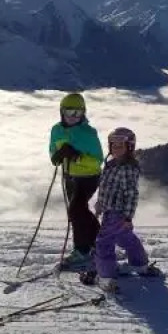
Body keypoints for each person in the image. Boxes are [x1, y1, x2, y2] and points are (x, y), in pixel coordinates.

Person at [88, 127, 158, 292]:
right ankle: (140, 265)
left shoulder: (128, 168)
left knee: (103, 242)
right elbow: (106, 188)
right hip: (110, 210)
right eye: (113, 145)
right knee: (125, 237)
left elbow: (131, 194)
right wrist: (100, 204)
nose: (116, 148)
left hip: (117, 212)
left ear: (130, 147)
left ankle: (106, 277)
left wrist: (127, 217)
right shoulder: (111, 165)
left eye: (120, 145)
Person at [49, 93, 104, 267]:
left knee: (75, 210)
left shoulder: (88, 133)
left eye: (78, 112)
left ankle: (82, 251)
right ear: (61, 112)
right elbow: (53, 151)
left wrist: (77, 156)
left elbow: (98, 160)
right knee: (79, 211)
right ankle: (100, 241)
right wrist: (57, 156)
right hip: (70, 177)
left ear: (83, 113)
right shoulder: (56, 130)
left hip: (89, 177)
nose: (73, 116)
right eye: (69, 112)